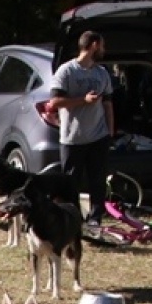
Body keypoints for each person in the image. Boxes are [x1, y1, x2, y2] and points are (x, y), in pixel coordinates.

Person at [48, 30, 114, 225]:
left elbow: (108, 103)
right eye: (101, 45)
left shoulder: (102, 73)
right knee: (70, 183)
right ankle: (71, 218)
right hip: (72, 137)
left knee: (98, 181)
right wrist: (83, 100)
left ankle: (95, 219)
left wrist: (110, 131)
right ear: (93, 45)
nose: (103, 49)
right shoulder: (67, 71)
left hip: (98, 136)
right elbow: (55, 102)